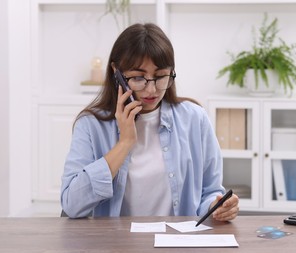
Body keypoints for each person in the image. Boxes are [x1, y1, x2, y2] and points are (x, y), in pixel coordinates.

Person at [61, 23, 239, 221]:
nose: (151, 90)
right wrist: (124, 143)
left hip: (178, 245)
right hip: (115, 248)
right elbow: (72, 206)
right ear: (116, 73)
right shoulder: (91, 125)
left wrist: (216, 207)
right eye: (138, 77)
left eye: (160, 76)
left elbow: (210, 191)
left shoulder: (195, 119)